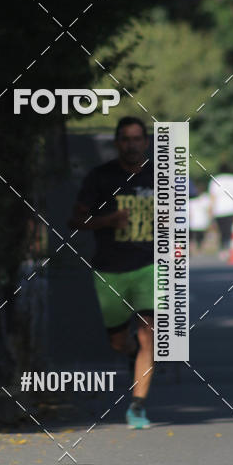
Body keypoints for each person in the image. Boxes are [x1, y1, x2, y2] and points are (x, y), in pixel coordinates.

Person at [69, 117, 154, 429]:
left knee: (150, 333)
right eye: (126, 139)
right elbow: (75, 221)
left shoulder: (160, 177)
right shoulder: (101, 177)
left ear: (146, 142)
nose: (131, 145)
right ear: (118, 143)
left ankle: (138, 406)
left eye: (137, 139)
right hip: (110, 268)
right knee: (119, 342)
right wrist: (107, 221)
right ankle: (132, 352)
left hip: (150, 265)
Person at [208, 164, 233, 256]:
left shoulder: (215, 179)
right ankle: (230, 247)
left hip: (219, 209)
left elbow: (213, 196)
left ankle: (223, 247)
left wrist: (210, 209)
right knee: (231, 230)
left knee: (222, 230)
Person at [189, 184, 211, 253]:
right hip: (199, 222)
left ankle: (197, 248)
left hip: (198, 222)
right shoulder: (192, 200)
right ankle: (197, 248)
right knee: (198, 236)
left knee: (197, 236)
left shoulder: (203, 199)